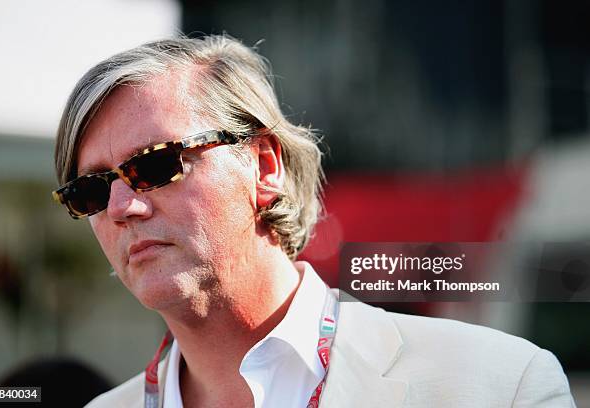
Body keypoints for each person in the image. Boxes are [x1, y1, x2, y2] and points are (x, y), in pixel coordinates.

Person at [52, 35, 575, 407]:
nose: (122, 206)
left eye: (156, 164)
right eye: (91, 190)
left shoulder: (497, 386)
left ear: (263, 166)